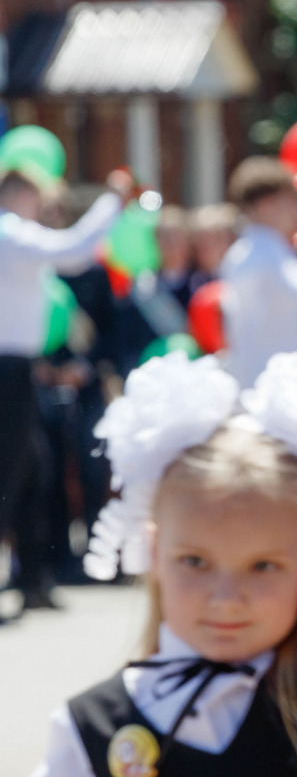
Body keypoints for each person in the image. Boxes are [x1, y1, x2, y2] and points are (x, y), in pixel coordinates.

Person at [31, 161, 297, 777]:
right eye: (194, 561)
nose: (226, 598)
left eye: (265, 566)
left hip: (290, 415)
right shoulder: (87, 730)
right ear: (153, 550)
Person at [0, 146, 134, 618]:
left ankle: (34, 578)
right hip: (7, 370)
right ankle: (28, 577)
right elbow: (75, 251)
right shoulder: (9, 232)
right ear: (20, 194)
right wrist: (113, 199)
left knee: (33, 469)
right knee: (10, 472)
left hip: (19, 370)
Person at [219, 157, 297, 384]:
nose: (295, 210)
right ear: (266, 205)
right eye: (288, 201)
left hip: (251, 375)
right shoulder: (268, 250)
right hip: (276, 381)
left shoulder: (236, 254)